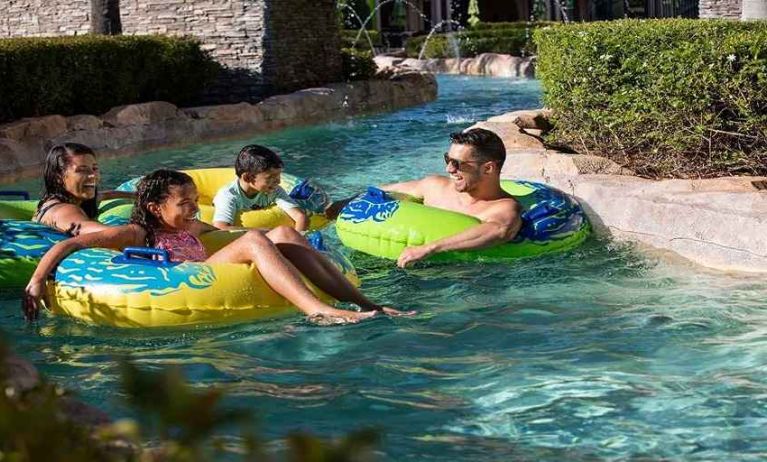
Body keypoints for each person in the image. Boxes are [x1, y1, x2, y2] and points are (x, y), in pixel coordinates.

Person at [23, 169, 410, 324]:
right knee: (257, 239)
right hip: (177, 279)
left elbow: (223, 233)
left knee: (285, 238)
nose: (194, 208)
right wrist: (38, 280)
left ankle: (366, 303)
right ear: (157, 208)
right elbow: (71, 245)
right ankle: (318, 311)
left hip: (212, 265)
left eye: (195, 199)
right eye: (185, 203)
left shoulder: (194, 224)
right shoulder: (135, 233)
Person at [328, 128, 522, 268]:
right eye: (447, 159)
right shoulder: (435, 187)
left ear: (488, 168)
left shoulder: (503, 208)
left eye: (457, 163)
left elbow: (499, 230)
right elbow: (383, 191)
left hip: (458, 279)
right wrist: (332, 208)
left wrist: (429, 248)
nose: (449, 169)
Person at [34, 143, 134, 236]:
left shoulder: (61, 199)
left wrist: (135, 195)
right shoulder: (64, 211)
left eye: (94, 169)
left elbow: (105, 195)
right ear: (59, 177)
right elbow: (109, 235)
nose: (92, 176)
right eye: (81, 170)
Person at [212, 145, 308, 232]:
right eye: (270, 177)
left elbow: (300, 217)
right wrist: (265, 232)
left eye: (278, 176)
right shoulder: (228, 196)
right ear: (247, 178)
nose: (278, 181)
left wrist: (298, 240)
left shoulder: (273, 190)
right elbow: (221, 228)